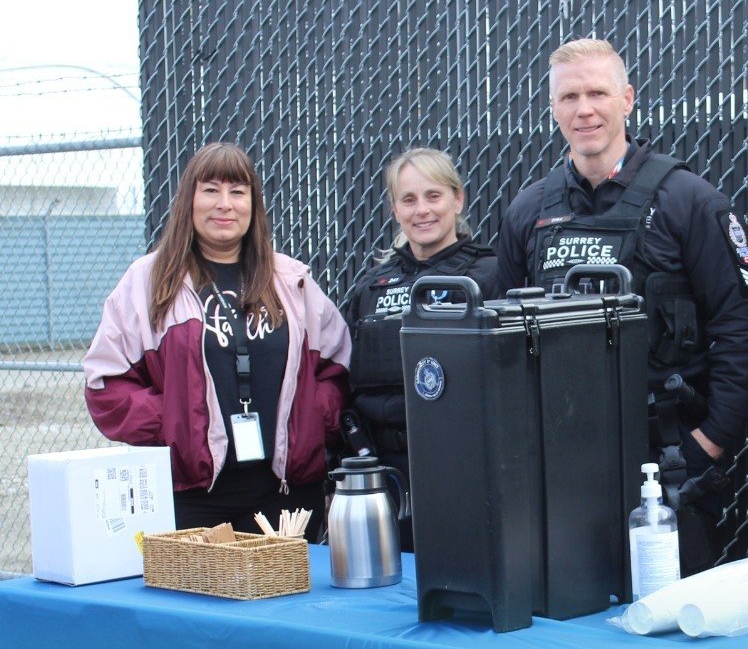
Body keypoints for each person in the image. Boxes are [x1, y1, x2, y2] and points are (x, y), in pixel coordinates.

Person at [496, 38, 748, 574]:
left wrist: (708, 443)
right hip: (559, 459)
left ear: (627, 99)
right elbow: (499, 335)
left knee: (671, 625)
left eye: (597, 92)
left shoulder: (688, 200)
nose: (584, 109)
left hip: (666, 459)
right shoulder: (530, 210)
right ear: (553, 109)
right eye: (569, 97)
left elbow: (745, 327)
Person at [84, 142, 350, 542]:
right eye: (210, 190)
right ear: (189, 200)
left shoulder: (291, 281)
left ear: (253, 205)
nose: (224, 204)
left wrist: (313, 419)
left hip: (285, 496)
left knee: (283, 601)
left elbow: (337, 368)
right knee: (199, 600)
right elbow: (106, 384)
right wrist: (173, 424)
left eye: (237, 192)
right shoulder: (148, 282)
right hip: (192, 497)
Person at [343, 147, 498, 546]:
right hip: (386, 468)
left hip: (463, 464)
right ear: (395, 209)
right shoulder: (371, 286)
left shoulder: (491, 275)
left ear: (457, 199)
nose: (422, 210)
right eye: (408, 199)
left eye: (434, 196)